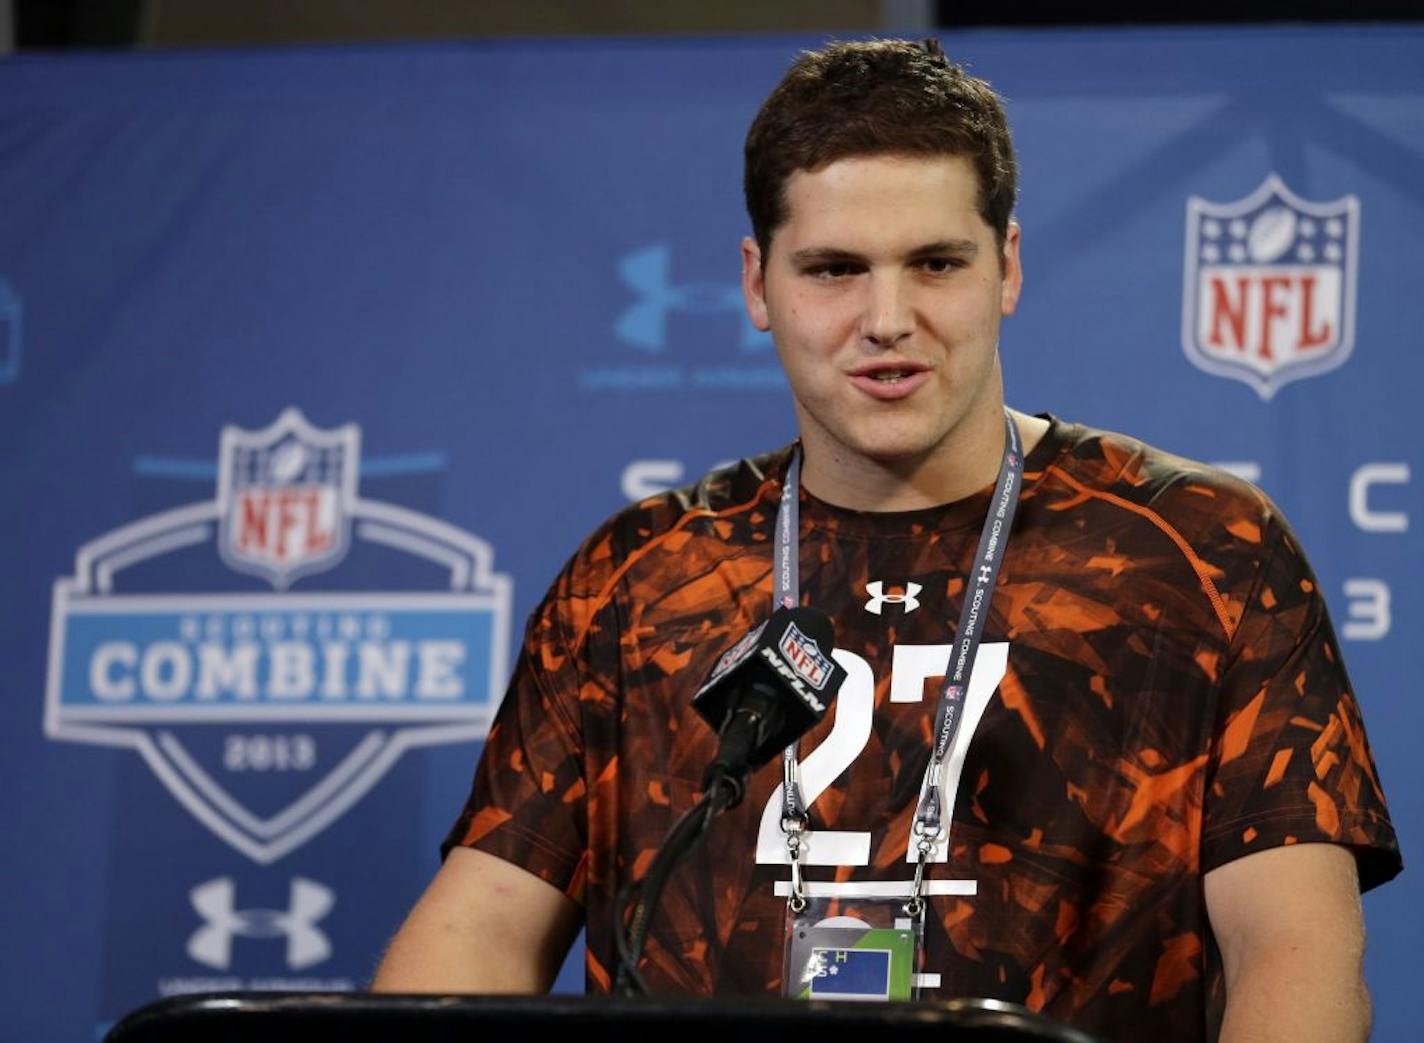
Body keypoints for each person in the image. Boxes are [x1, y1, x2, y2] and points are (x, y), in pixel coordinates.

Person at [372, 39, 1400, 1041]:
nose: (886, 318)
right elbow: (481, 927)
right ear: (754, 283)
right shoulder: (638, 575)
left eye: (934, 262)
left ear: (1004, 267)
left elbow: (1292, 951)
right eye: (831, 269)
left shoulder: (1202, 549)